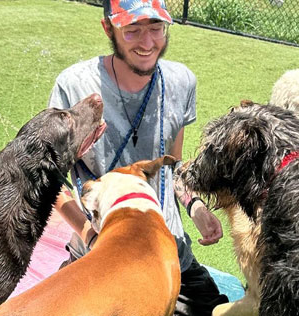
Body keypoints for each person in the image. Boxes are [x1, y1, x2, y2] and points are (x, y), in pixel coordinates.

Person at [47, 0, 230, 314]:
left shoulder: (181, 82)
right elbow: (50, 182)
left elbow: (174, 165)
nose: (148, 43)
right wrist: (90, 237)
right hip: (100, 250)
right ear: (109, 28)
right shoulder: (76, 87)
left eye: (156, 28)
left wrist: (195, 206)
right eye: (132, 31)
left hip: (168, 249)